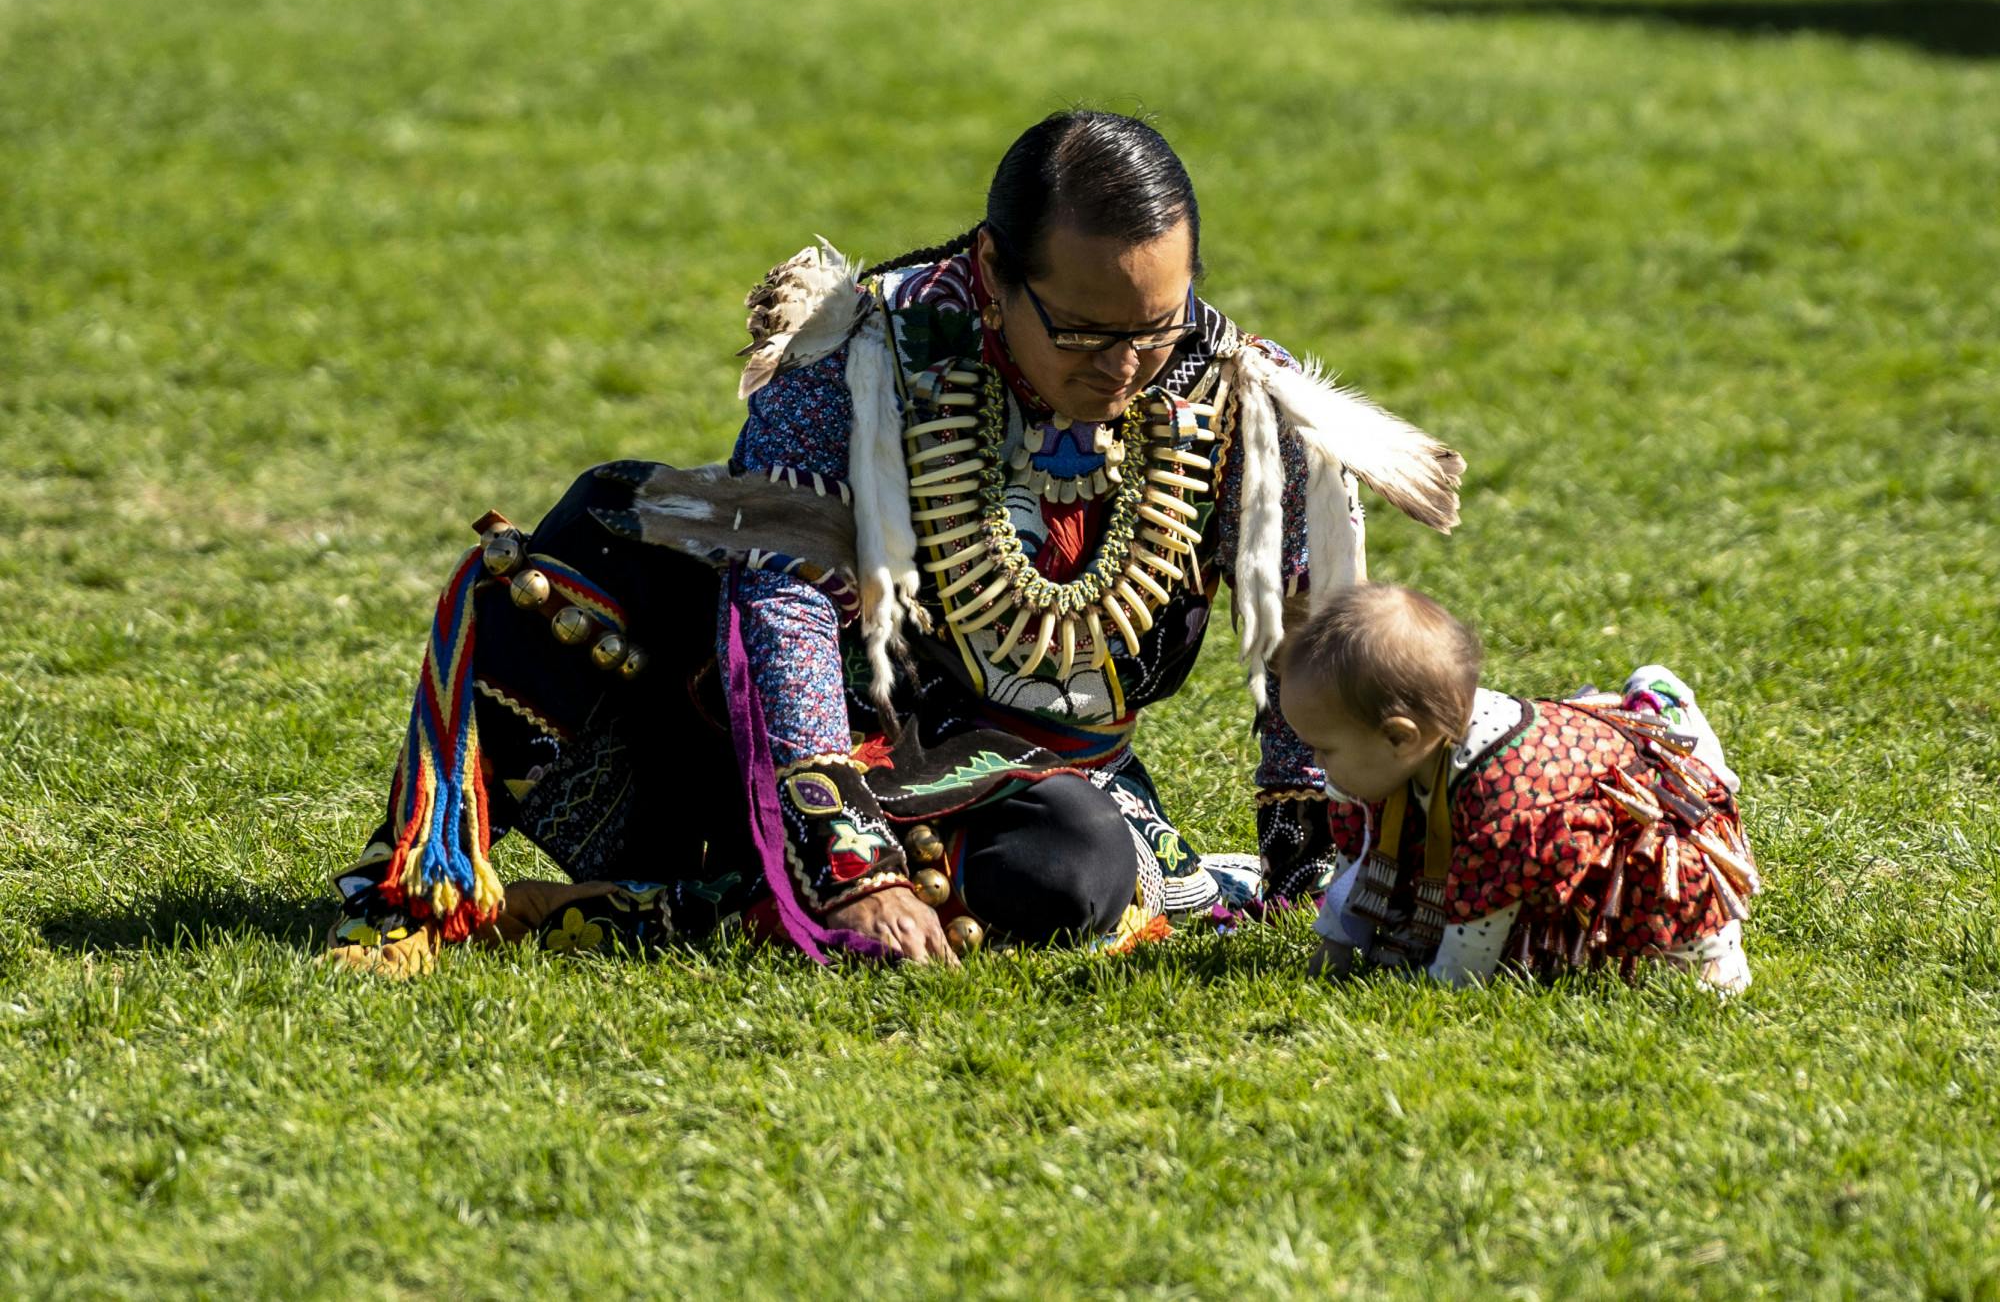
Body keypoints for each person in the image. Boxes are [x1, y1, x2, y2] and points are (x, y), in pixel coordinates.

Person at [323, 109, 1466, 977]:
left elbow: (1302, 633)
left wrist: (1316, 856)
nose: (1121, 369)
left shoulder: (1225, 388)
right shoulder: (861, 353)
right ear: (991, 271)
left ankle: (657, 910)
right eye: (1078, 330)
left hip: (1023, 778)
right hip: (780, 743)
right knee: (547, 586)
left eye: (1152, 329)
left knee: (1065, 876)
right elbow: (778, 597)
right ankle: (422, 890)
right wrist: (846, 859)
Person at [1278, 583, 1757, 991]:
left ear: (1399, 737)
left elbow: (1470, 954)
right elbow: (1358, 865)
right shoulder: (1416, 747)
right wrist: (1334, 951)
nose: (1317, 763)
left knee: (1662, 873)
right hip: (1544, 785)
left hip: (1639, 807)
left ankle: (1715, 952)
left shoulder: (1505, 805)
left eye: (1325, 749)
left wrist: (1440, 987)